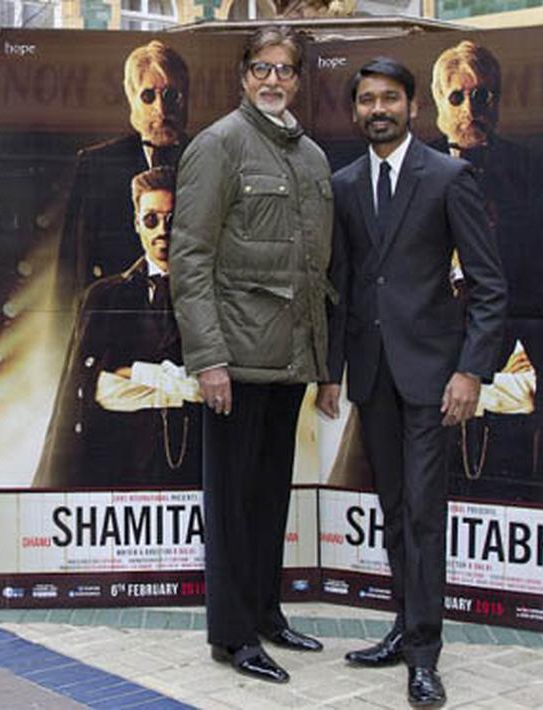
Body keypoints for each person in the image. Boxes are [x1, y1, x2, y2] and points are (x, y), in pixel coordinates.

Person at [318, 57, 507, 707]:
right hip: (371, 378)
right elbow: (340, 289)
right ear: (354, 111)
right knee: (395, 513)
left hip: (432, 378)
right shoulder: (342, 184)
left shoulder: (449, 177)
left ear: (412, 107)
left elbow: (488, 287)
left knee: (424, 516)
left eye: (390, 98)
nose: (378, 109)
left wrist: (470, 371)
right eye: (367, 99)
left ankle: (424, 657)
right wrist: (329, 374)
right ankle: (404, 628)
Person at [169, 25, 334, 684]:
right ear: (243, 76)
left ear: (298, 80)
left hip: (289, 361)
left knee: (269, 498)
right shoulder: (218, 146)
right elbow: (190, 257)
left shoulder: (313, 157)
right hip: (233, 361)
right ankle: (231, 636)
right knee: (233, 502)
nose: (273, 80)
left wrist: (324, 367)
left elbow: (318, 272)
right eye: (261, 68)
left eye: (285, 70)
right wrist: (208, 360)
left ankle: (267, 613)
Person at [428, 39, 543, 507]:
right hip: (437, 337)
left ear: (498, 99)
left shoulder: (535, 172)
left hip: (519, 336)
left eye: (481, 96)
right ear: (439, 101)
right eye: (457, 96)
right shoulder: (415, 167)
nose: (470, 108)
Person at [34, 167, 201, 488]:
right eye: (151, 219)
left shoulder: (214, 293)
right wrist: (173, 382)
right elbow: (93, 392)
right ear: (137, 223)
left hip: (195, 466)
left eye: (174, 218)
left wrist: (132, 373)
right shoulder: (103, 297)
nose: (163, 230)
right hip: (119, 467)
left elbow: (208, 388)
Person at [54, 40, 191, 312]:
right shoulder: (96, 164)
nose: (161, 111)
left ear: (185, 97)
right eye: (148, 96)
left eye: (171, 95)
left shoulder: (209, 159)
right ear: (131, 97)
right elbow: (70, 266)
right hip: (116, 320)